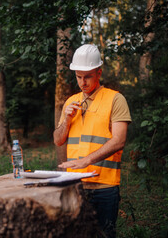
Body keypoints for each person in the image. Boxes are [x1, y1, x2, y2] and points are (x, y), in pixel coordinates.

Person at [53, 44, 131, 238]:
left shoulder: (115, 99)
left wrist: (85, 161)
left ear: (99, 72)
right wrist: (68, 120)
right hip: (76, 185)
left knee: (104, 235)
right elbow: (58, 140)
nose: (83, 82)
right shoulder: (71, 101)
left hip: (105, 186)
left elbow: (119, 141)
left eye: (87, 76)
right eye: (79, 76)